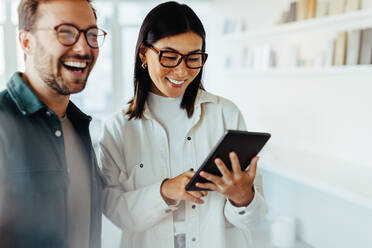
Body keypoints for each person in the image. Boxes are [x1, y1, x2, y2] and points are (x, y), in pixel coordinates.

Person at [99, 1, 267, 248]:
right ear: (144, 54)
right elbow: (114, 211)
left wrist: (243, 199)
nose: (182, 71)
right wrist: (165, 191)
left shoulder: (226, 114)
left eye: (193, 58)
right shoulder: (117, 127)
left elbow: (253, 220)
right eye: (169, 57)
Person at [0, 0, 106, 247]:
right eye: (66, 33)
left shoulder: (79, 125)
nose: (83, 48)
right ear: (27, 42)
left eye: (91, 35)